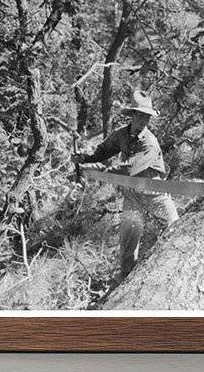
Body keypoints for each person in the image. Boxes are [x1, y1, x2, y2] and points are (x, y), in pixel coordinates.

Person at [74, 90, 179, 278]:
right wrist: (84, 158)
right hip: (131, 194)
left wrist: (100, 172)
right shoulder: (121, 134)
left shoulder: (150, 143)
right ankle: (125, 281)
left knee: (175, 226)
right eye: (140, 116)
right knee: (128, 244)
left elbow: (129, 169)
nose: (143, 122)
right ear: (132, 115)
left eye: (147, 118)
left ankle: (173, 272)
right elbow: (103, 151)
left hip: (153, 192)